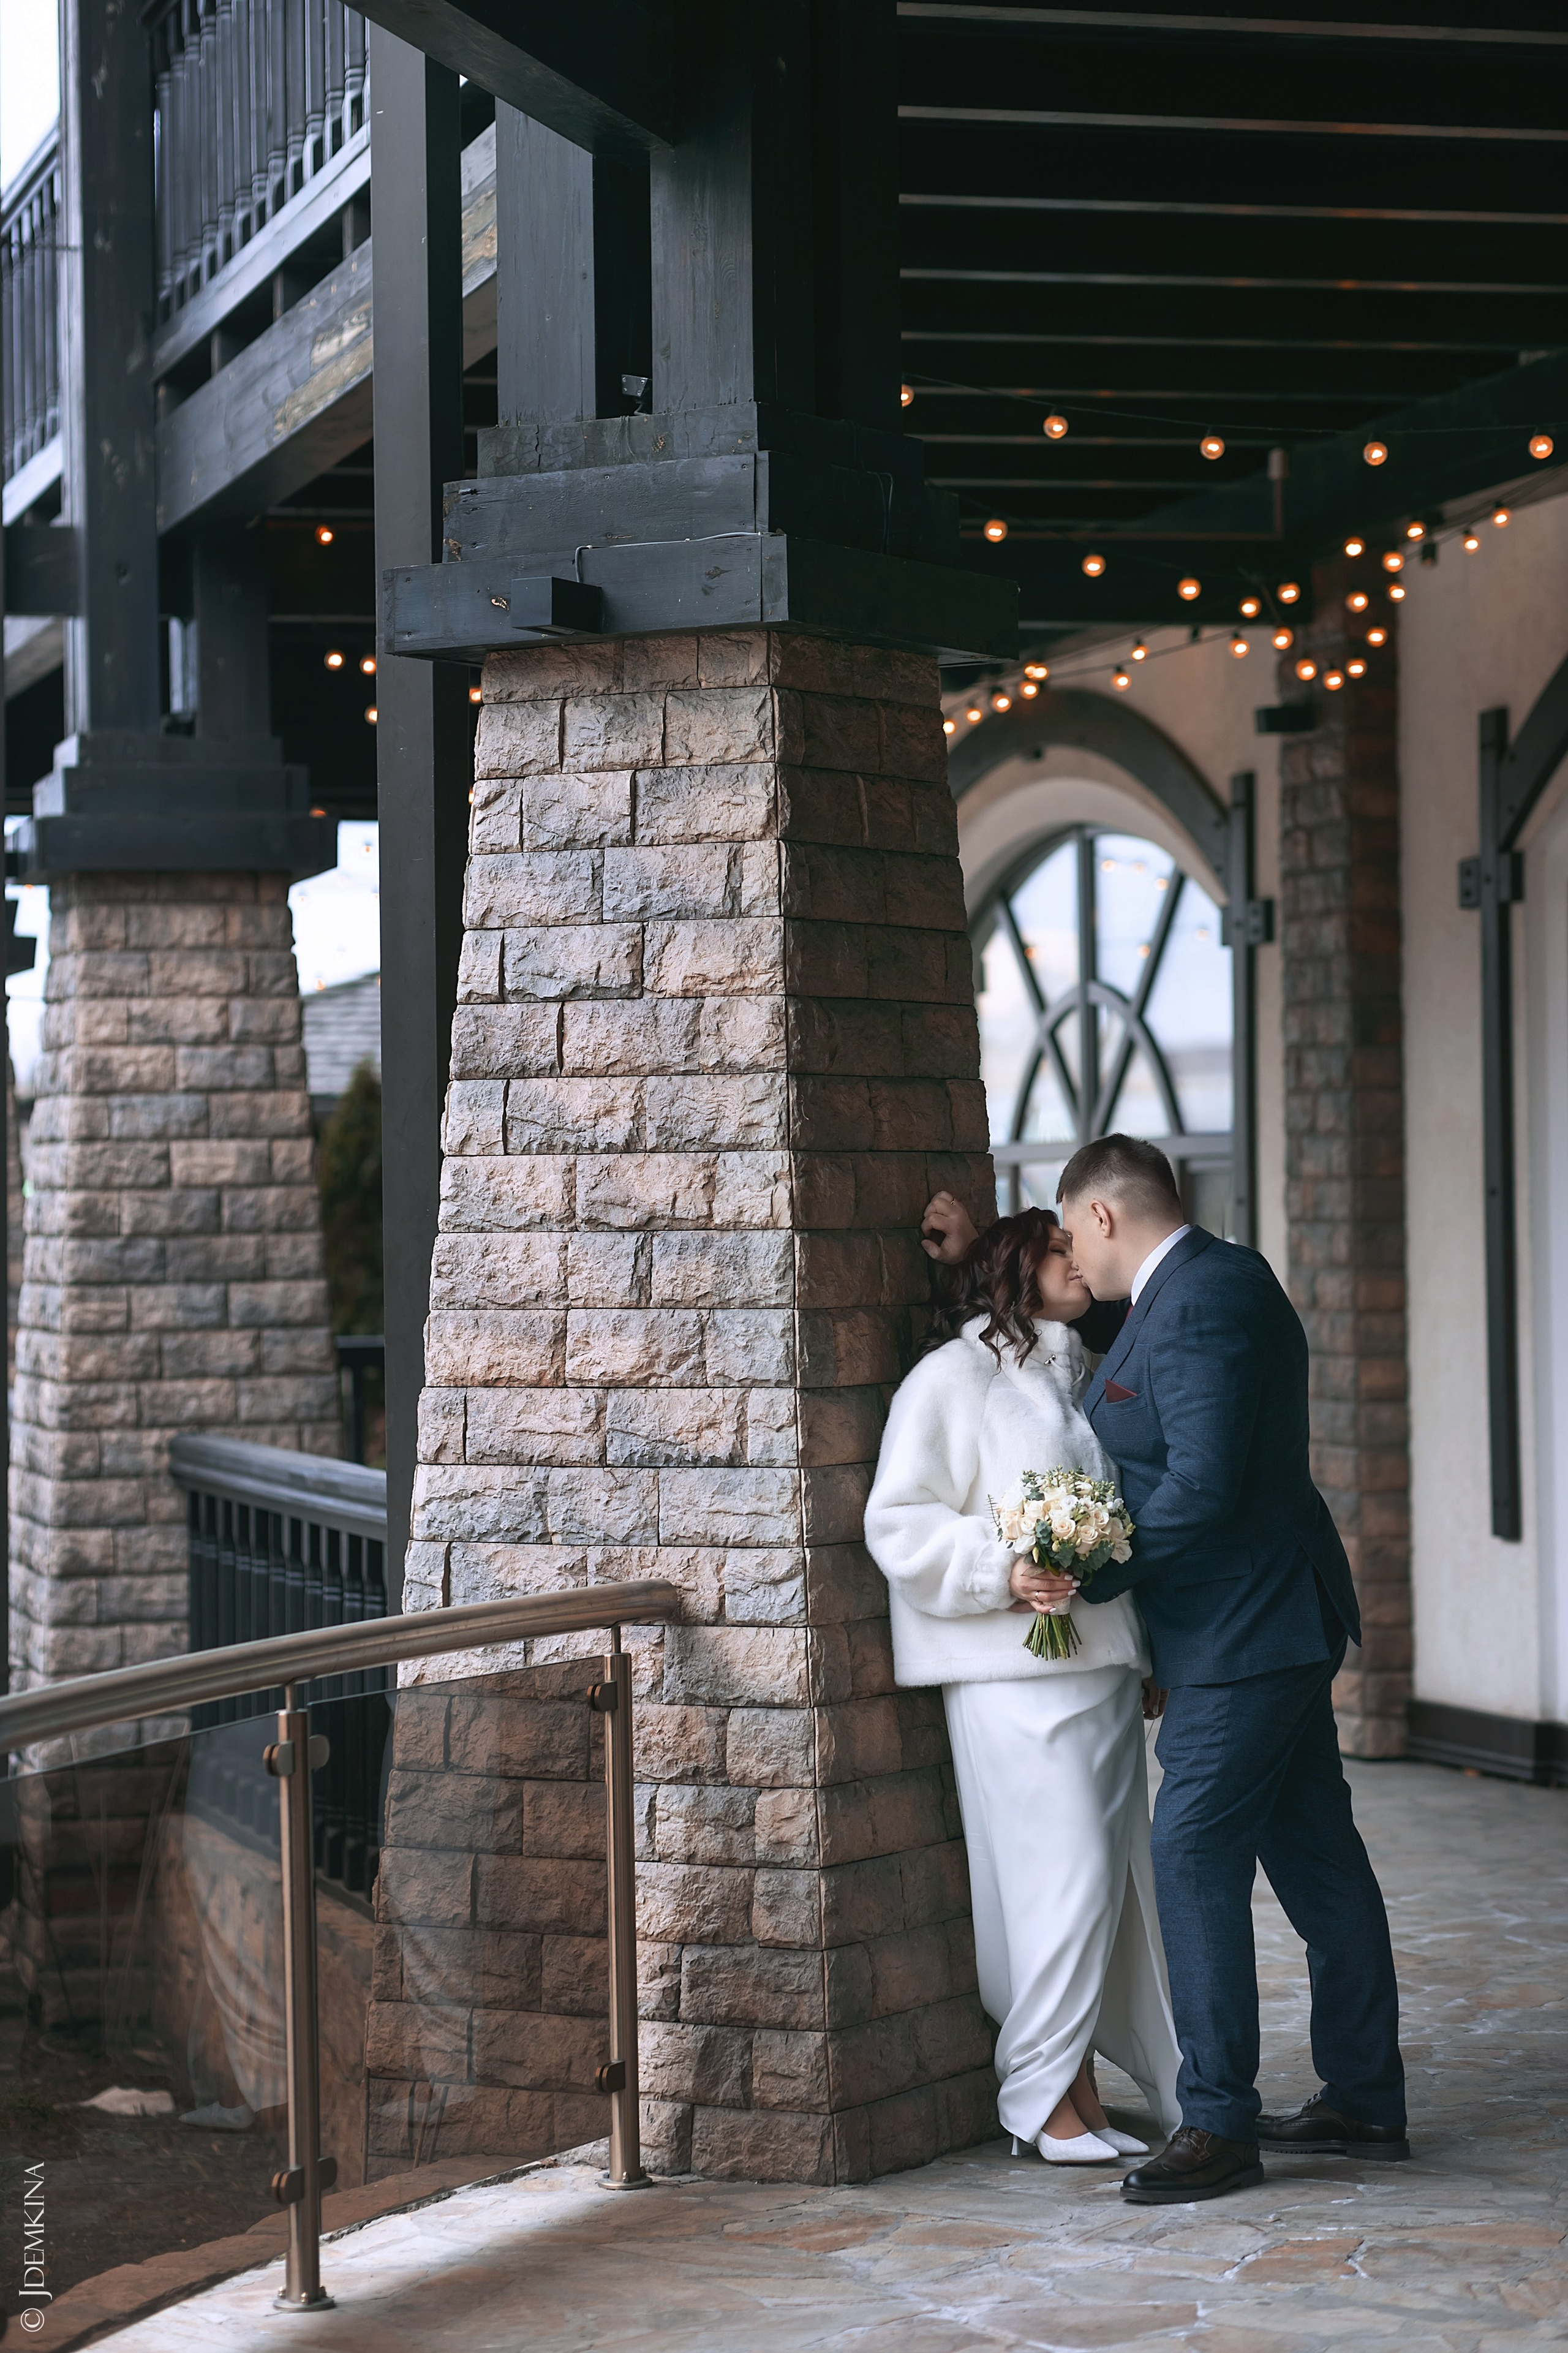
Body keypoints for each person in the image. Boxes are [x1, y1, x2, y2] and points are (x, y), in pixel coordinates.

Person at [1030, 1135, 1406, 2205]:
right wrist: (985, 1252)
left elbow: (1197, 1482)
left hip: (1250, 1632)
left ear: (1103, 1216)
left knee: (1190, 1852)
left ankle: (1218, 2121)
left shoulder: (1203, 1296)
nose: (1074, 1259)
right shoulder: (1194, 1289)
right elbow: (1126, 1360)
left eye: (1068, 1233)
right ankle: (1366, 2098)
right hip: (1255, 1626)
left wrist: (1089, 1571)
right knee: (1317, 1856)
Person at [864, 1207, 1182, 2166]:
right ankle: (1040, 2093)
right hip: (1016, 1677)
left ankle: (1075, 2088)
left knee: (1110, 1884)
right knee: (1058, 1878)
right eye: (1058, 1249)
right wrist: (1001, 1568)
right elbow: (900, 1520)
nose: (1079, 1261)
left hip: (1099, 1672)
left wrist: (1143, 1647)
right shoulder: (952, 1378)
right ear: (1017, 1264)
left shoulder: (1083, 1374)